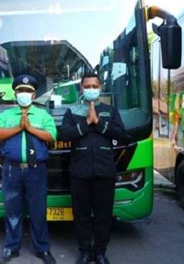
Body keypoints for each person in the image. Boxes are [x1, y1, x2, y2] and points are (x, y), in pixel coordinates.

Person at [59, 73, 130, 264]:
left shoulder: (110, 111)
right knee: (81, 216)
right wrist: (85, 123)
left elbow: (122, 135)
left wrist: (99, 122)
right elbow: (63, 135)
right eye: (87, 86)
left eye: (94, 86)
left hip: (105, 171)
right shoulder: (72, 111)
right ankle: (84, 252)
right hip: (79, 173)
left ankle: (100, 253)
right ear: (81, 89)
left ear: (100, 88)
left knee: (103, 216)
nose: (91, 89)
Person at [0, 74, 57, 264]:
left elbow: (51, 136)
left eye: (28, 91)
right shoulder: (5, 115)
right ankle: (11, 248)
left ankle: (42, 249)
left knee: (38, 211)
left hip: (36, 171)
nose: (24, 94)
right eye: (20, 90)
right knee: (12, 211)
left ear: (34, 94)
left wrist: (29, 128)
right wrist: (18, 128)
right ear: (15, 93)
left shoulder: (43, 115)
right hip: (12, 171)